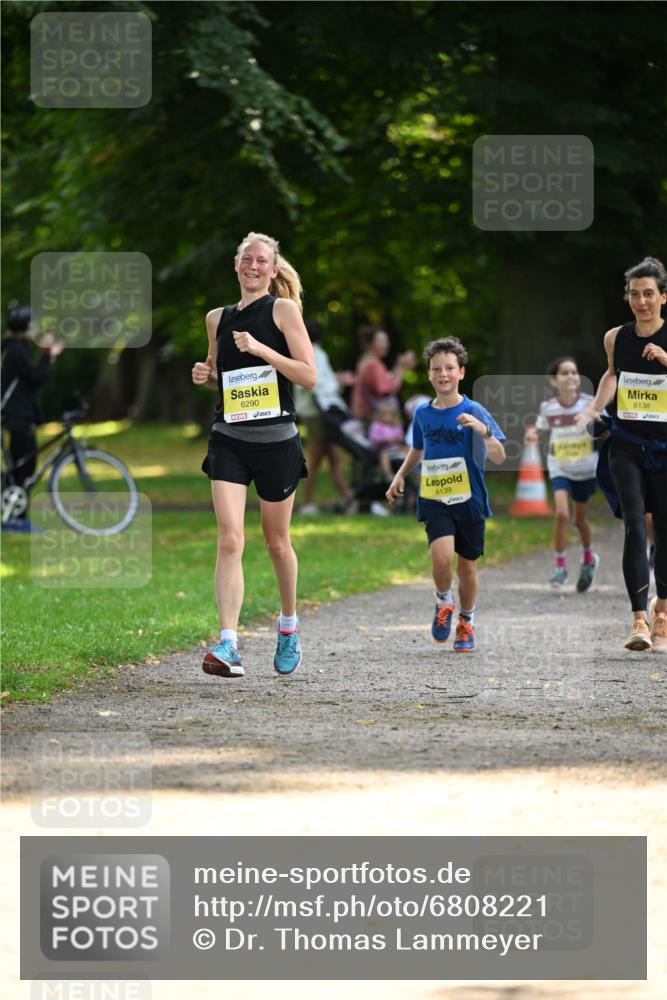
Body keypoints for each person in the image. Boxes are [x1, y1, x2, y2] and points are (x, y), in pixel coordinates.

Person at [192, 232, 316, 678]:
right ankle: (228, 643)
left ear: (274, 269)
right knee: (229, 538)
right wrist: (205, 373)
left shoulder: (284, 311)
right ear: (236, 265)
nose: (253, 266)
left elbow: (308, 375)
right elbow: (220, 372)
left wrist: (262, 349)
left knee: (276, 542)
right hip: (228, 438)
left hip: (277, 441)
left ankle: (288, 627)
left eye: (262, 260)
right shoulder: (217, 318)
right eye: (247, 258)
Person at [386, 336, 506, 652]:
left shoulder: (475, 409)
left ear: (461, 373)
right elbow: (418, 448)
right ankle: (443, 602)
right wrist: (399, 475)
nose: (443, 374)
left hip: (470, 498)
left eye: (449, 368)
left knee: (467, 566)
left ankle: (466, 622)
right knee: (441, 558)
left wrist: (483, 429)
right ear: (428, 374)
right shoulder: (423, 414)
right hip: (435, 495)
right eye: (436, 369)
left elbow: (499, 456)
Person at [576, 256, 667, 653]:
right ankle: (639, 621)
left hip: (665, 448)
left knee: (663, 531)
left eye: (649, 294)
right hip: (626, 441)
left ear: (664, 296)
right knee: (634, 520)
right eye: (634, 294)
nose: (641, 301)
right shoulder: (616, 336)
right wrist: (593, 410)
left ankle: (662, 607)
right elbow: (611, 374)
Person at [530, 356, 599, 591]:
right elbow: (538, 430)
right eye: (565, 373)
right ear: (553, 381)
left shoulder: (590, 403)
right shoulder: (549, 408)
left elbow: (602, 427)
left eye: (574, 372)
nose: (571, 376)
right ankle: (560, 568)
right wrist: (533, 435)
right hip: (560, 467)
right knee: (561, 514)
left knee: (579, 521)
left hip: (585, 468)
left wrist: (600, 428)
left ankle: (589, 559)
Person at [1, 304, 64, 532]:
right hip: (18, 416)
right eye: (33, 323)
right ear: (24, 325)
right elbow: (36, 378)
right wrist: (49, 355)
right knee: (25, 469)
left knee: (21, 468)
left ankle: (14, 516)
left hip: (16, 414)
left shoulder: (13, 348)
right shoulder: (17, 350)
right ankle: (16, 519)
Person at [293, 320, 355, 514]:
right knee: (317, 458)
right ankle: (307, 502)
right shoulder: (316, 354)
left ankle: (348, 499)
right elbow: (315, 382)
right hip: (317, 413)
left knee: (331, 457)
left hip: (312, 412)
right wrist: (339, 383)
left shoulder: (303, 352)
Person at [351, 326, 416, 423]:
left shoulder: (365, 360)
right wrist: (402, 367)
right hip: (372, 420)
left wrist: (399, 366)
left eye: (386, 341)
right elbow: (386, 391)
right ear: (370, 344)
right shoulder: (373, 364)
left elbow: (385, 382)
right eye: (381, 341)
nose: (386, 345)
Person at [368, 396, 409, 481]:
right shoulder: (377, 425)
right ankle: (387, 473)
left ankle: (414, 468)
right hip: (381, 448)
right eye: (384, 415)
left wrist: (398, 439)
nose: (387, 417)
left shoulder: (396, 425)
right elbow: (374, 438)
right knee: (384, 453)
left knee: (410, 449)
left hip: (395, 448)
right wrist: (386, 439)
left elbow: (401, 437)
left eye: (389, 415)